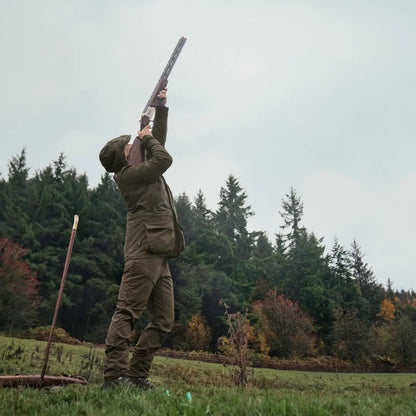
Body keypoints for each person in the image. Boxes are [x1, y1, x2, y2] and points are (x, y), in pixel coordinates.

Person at [98, 89, 185, 390]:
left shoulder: (139, 168)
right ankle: (114, 377)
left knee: (164, 320)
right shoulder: (129, 176)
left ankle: (137, 375)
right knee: (127, 313)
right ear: (124, 157)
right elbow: (163, 157)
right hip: (143, 253)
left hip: (159, 252)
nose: (133, 147)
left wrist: (159, 110)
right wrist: (145, 135)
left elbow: (156, 145)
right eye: (129, 147)